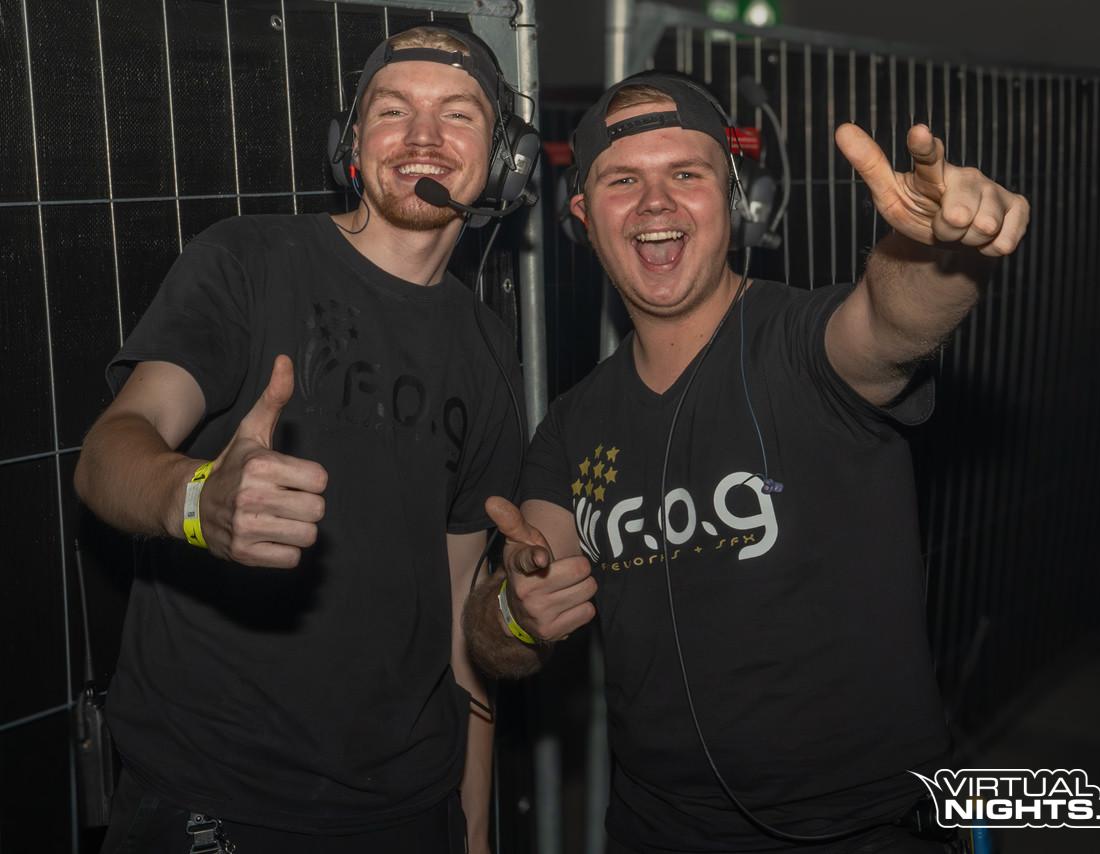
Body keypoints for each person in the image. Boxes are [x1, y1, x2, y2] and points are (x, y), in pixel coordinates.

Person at [464, 72, 1029, 852]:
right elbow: (504, 622)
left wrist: (937, 253)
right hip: (653, 832)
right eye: (623, 180)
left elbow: (892, 321)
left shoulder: (805, 345)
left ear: (734, 200)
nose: (655, 203)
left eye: (685, 175)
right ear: (585, 216)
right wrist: (514, 613)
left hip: (861, 832)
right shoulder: (570, 425)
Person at [74, 25, 527, 853]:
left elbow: (460, 614)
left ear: (505, 161)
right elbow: (108, 453)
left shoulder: (491, 349)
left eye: (458, 114)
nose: (423, 137)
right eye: (393, 110)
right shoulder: (248, 260)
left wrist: (473, 830)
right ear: (350, 142)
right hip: (214, 794)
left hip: (409, 808)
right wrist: (196, 500)